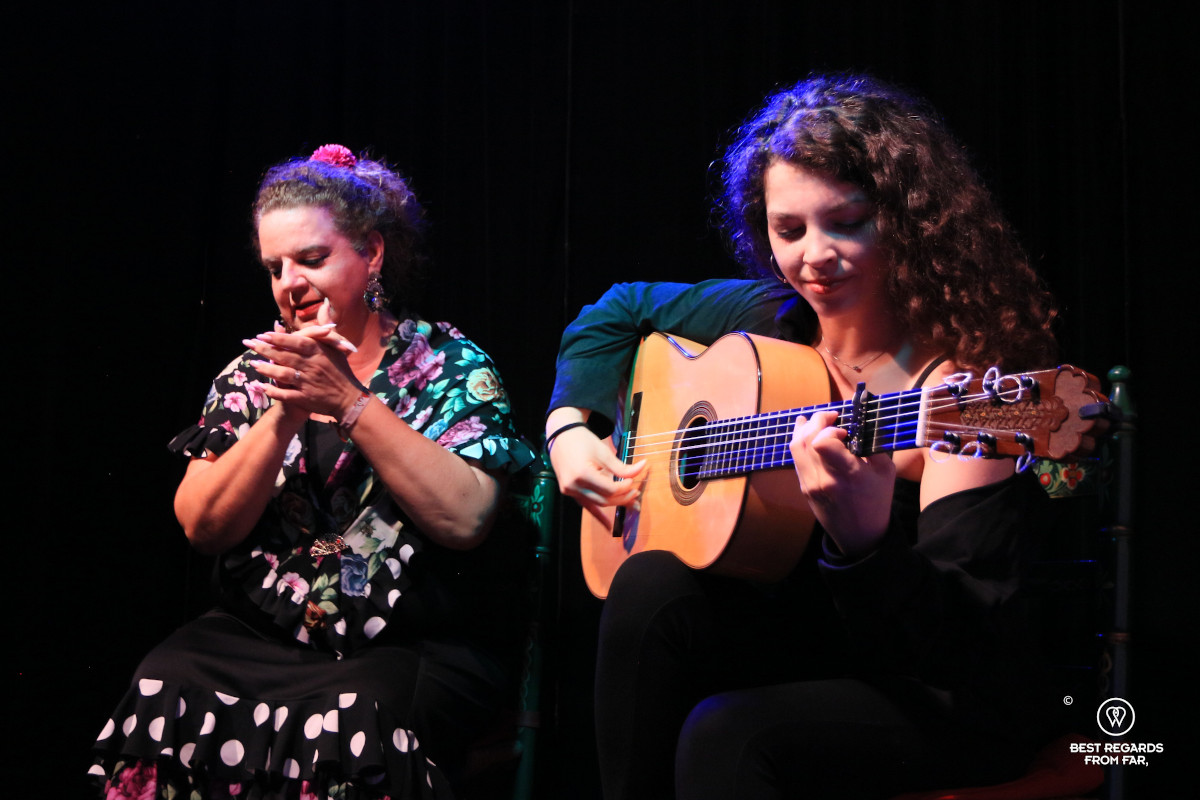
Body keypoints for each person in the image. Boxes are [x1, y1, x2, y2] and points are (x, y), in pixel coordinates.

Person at [546, 75, 1063, 799]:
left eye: (845, 222)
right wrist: (569, 428)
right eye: (788, 230)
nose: (814, 255)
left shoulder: (962, 391)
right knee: (649, 584)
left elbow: (961, 647)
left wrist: (863, 543)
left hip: (942, 691)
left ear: (907, 220)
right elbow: (616, 311)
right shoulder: (768, 317)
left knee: (726, 734)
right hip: (818, 640)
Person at [90, 144, 537, 799]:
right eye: (275, 267)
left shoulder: (449, 364)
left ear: (373, 254)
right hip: (261, 635)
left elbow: (466, 517)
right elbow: (202, 527)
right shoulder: (254, 376)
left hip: (408, 644)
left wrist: (348, 402)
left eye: (312, 258)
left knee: (356, 711)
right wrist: (285, 412)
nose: (289, 283)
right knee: (166, 678)